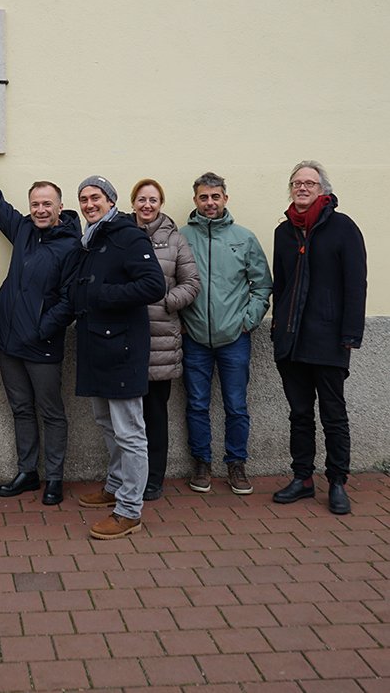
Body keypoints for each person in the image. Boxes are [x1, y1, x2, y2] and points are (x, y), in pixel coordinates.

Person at [0, 137, 82, 505]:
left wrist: (44, 328)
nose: (40, 209)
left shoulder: (72, 245)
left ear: (60, 206)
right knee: (20, 409)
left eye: (47, 204)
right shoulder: (23, 231)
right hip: (9, 343)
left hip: (43, 344)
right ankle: (28, 472)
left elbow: (70, 300)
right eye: (35, 204)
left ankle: (55, 478)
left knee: (51, 412)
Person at [271, 161, 367, 515]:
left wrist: (350, 334)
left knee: (333, 415)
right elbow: (280, 285)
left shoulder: (343, 228)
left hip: (329, 340)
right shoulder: (284, 232)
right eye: (296, 182)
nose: (302, 187)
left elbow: (356, 285)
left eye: (309, 182)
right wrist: (277, 328)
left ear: (322, 189)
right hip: (291, 341)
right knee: (299, 414)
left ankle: (338, 481)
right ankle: (303, 479)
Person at [72, 177, 166, 539]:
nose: (89, 204)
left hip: (122, 348)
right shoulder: (93, 238)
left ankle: (129, 510)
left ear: (111, 200)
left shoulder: (128, 235)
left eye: (95, 197)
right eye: (83, 199)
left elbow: (153, 285)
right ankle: (114, 485)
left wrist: (103, 294)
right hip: (96, 346)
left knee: (130, 432)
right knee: (106, 422)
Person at [180, 172, 272, 495]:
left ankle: (237, 463)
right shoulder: (182, 238)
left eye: (215, 197)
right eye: (203, 197)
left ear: (225, 199)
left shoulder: (243, 238)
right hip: (194, 339)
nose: (209, 203)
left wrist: (249, 320)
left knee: (236, 404)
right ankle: (201, 463)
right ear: (195, 200)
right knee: (196, 404)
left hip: (235, 338)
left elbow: (262, 286)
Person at [129, 179, 201, 501]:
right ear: (133, 203)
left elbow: (192, 283)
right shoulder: (122, 234)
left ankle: (154, 478)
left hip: (160, 340)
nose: (147, 205)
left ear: (160, 203)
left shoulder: (175, 239)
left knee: (155, 414)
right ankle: (130, 475)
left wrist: (165, 302)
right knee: (128, 416)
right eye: (142, 199)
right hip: (126, 338)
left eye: (153, 200)